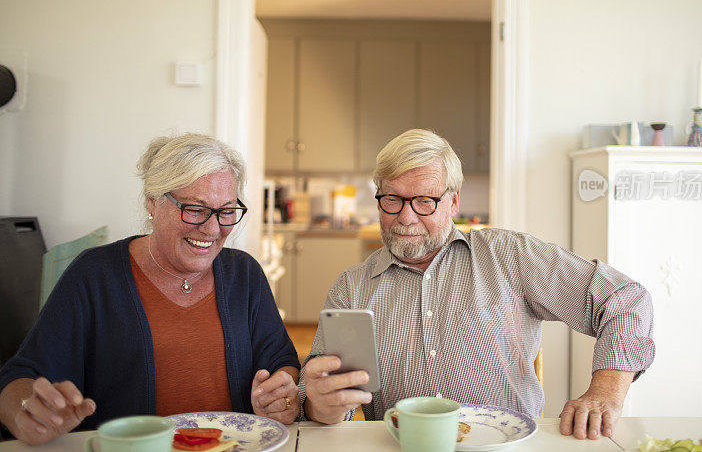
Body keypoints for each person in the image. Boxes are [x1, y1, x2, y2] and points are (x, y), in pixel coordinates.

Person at [301, 129, 655, 440]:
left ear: (453, 202)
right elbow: (318, 406)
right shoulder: (352, 288)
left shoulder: (509, 256)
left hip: (507, 448)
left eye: (424, 201)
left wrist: (606, 391)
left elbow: (624, 300)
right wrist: (322, 406)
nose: (405, 218)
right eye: (392, 199)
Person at [0, 133, 300, 445]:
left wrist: (282, 394)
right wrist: (28, 413)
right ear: (153, 203)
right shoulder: (94, 274)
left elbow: (281, 361)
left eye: (226, 211)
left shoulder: (245, 273)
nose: (212, 229)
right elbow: (20, 377)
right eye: (195, 209)